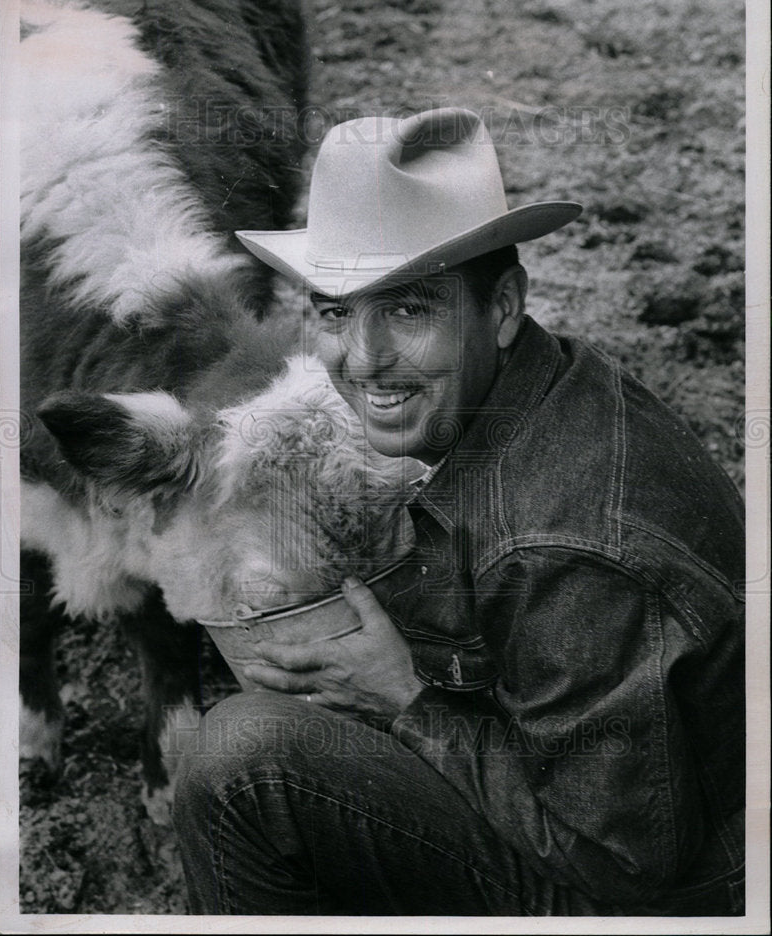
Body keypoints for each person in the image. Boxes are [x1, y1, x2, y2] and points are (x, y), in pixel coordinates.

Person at [173, 108, 745, 916]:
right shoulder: (550, 387)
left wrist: (406, 697)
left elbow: (622, 860)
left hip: (673, 897)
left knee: (239, 762)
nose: (362, 359)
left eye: (408, 310)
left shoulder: (562, 547)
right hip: (660, 805)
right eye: (335, 311)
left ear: (502, 306)